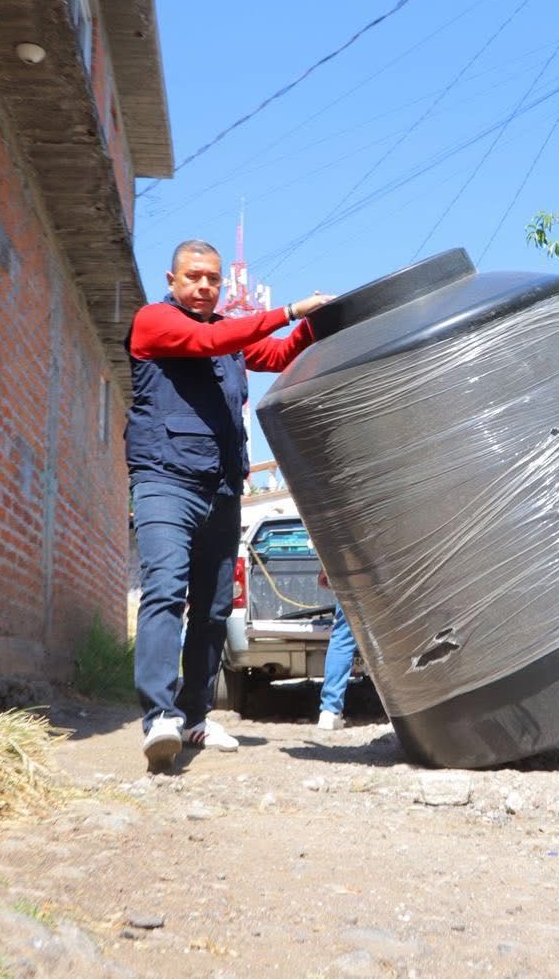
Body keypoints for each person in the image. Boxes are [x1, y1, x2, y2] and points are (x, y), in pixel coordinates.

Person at [128, 238, 331, 773]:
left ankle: (195, 716)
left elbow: (278, 354)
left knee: (215, 608)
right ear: (171, 281)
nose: (204, 286)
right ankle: (159, 718)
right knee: (167, 590)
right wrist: (287, 310)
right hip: (165, 480)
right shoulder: (154, 321)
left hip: (220, 486)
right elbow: (211, 338)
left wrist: (313, 323)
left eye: (213, 279)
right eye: (194, 277)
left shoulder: (230, 343)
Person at [316, 569, 357, 731]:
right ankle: (401, 709)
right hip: (393, 566)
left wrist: (326, 568)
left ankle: (329, 711)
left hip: (353, 569)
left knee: (344, 635)